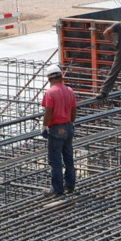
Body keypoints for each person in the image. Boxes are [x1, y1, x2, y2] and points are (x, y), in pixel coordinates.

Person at [41, 64, 78, 196]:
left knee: (55, 160)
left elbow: (48, 111)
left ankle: (57, 189)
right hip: (68, 127)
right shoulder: (70, 90)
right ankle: (70, 184)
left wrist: (44, 127)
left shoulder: (50, 92)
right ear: (61, 76)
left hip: (56, 129)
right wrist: (71, 123)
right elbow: (74, 110)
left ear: (49, 79)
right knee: (68, 158)